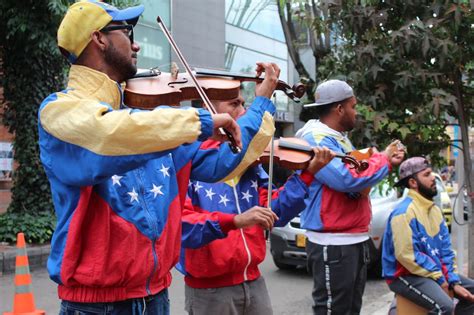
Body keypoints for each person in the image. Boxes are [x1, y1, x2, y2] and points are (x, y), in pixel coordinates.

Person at [39, 1, 280, 314]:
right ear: (99, 38)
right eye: (128, 32)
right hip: (95, 306)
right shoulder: (59, 111)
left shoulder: (151, 122)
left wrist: (260, 105)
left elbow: (225, 162)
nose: (136, 43)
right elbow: (108, 133)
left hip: (156, 296)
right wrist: (199, 122)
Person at [178, 92, 336, 315]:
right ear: (208, 109)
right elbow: (183, 228)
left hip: (254, 281)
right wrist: (236, 221)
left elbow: (275, 213)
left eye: (244, 104)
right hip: (210, 291)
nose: (243, 112)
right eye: (234, 104)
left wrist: (307, 175)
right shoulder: (188, 162)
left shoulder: (251, 165)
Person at [294, 79, 405, 315]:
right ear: (339, 109)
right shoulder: (317, 139)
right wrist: (383, 158)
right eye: (353, 106)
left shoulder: (338, 137)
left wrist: (378, 164)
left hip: (351, 238)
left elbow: (358, 179)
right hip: (332, 242)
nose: (356, 112)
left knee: (350, 309)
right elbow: (348, 180)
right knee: (333, 310)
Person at [382, 157, 474, 314]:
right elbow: (407, 256)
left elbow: (445, 250)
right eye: (427, 174)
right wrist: (440, 279)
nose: (433, 178)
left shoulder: (435, 210)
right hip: (404, 275)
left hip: (431, 271)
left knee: (471, 291)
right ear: (412, 183)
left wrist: (452, 280)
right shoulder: (403, 213)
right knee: (444, 306)